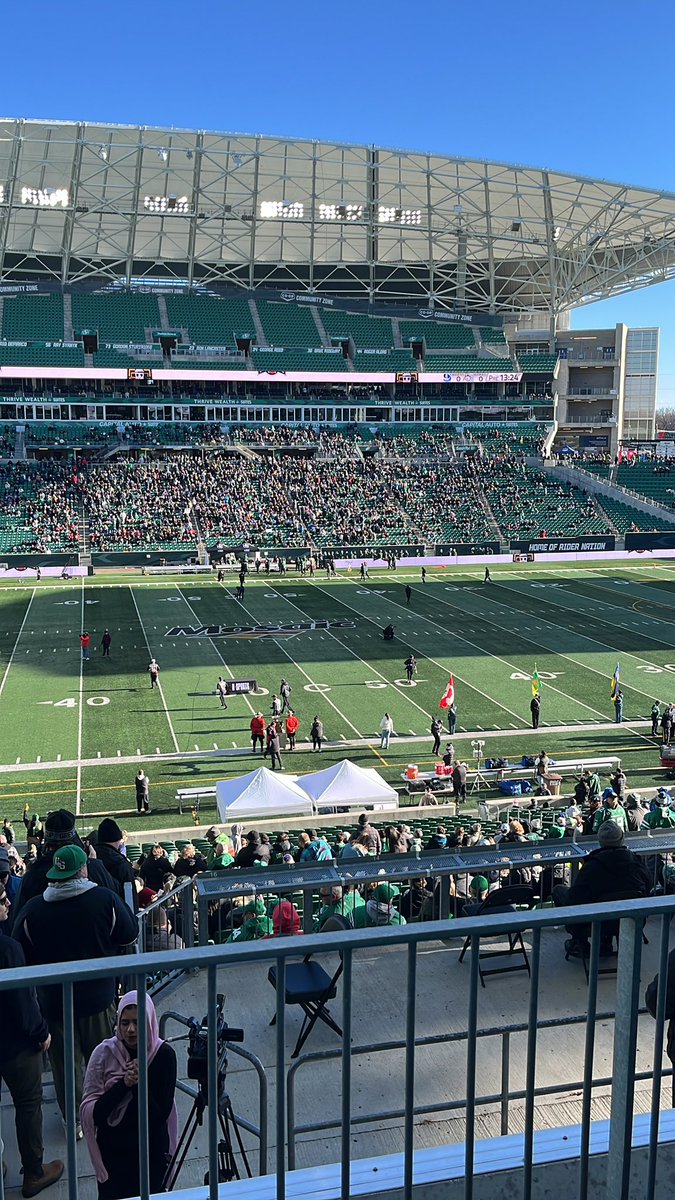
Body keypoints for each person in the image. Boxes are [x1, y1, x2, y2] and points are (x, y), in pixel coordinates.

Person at [13, 845, 138, 1129]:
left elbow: (20, 954)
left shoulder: (33, 910)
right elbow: (130, 934)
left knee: (66, 1067)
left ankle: (76, 1120)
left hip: (54, 1003)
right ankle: (106, 1112)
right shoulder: (105, 900)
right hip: (98, 999)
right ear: (83, 869)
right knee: (104, 1059)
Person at [0, 882, 64, 1199]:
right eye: (2, 900)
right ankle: (34, 1174)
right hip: (15, 1046)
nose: (8, 903)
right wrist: (42, 1033)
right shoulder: (8, 949)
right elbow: (23, 1004)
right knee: (28, 1106)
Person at [81, 992, 178, 1200]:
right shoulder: (103, 1054)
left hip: (151, 1154)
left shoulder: (163, 1056)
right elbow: (94, 1114)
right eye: (125, 1023)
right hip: (115, 1156)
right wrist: (124, 1083)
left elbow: (159, 1116)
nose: (131, 1030)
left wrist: (139, 1085)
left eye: (137, 1022)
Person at [553, 821, 650, 957]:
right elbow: (648, 887)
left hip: (597, 923)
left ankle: (581, 943)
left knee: (558, 890)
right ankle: (605, 942)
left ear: (600, 841)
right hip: (632, 919)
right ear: (622, 838)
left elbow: (574, 898)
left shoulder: (592, 866)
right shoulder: (637, 862)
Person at [9, 809, 116, 921]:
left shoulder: (32, 876)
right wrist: (95, 865)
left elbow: (18, 919)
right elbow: (115, 901)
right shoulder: (93, 867)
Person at [95, 818, 138, 909]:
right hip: (118, 911)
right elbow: (131, 898)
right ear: (117, 840)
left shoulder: (89, 859)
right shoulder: (121, 864)